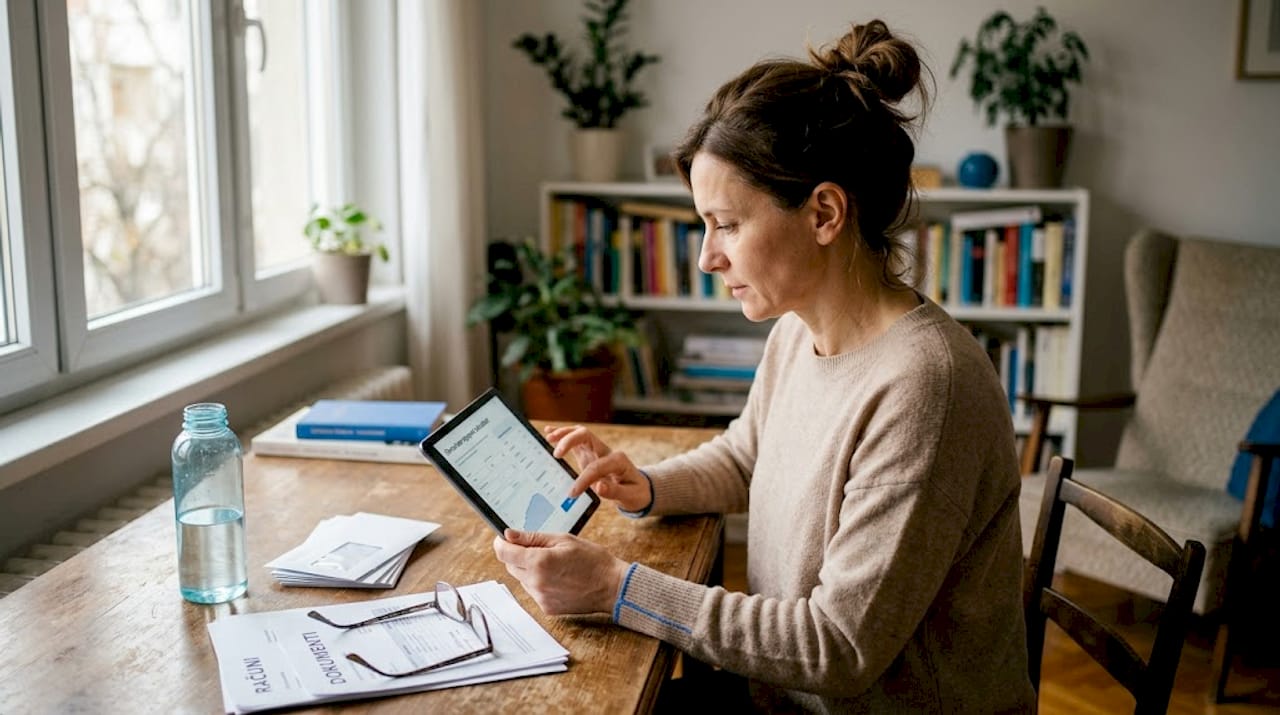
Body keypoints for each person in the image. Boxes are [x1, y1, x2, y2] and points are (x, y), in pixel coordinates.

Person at [493, 18, 1036, 713]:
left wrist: (616, 589)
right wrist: (644, 484)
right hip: (782, 694)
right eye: (703, 226)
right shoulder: (797, 330)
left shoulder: (926, 385)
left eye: (728, 224)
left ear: (824, 213)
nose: (706, 257)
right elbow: (749, 456)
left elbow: (837, 646)